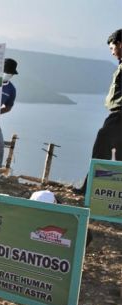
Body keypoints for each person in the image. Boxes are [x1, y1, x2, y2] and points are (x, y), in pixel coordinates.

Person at [74, 29, 122, 195]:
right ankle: (110, 194)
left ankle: (90, 188)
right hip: (117, 114)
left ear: (120, 44)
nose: (112, 52)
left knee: (101, 147)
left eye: (112, 48)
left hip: (119, 115)